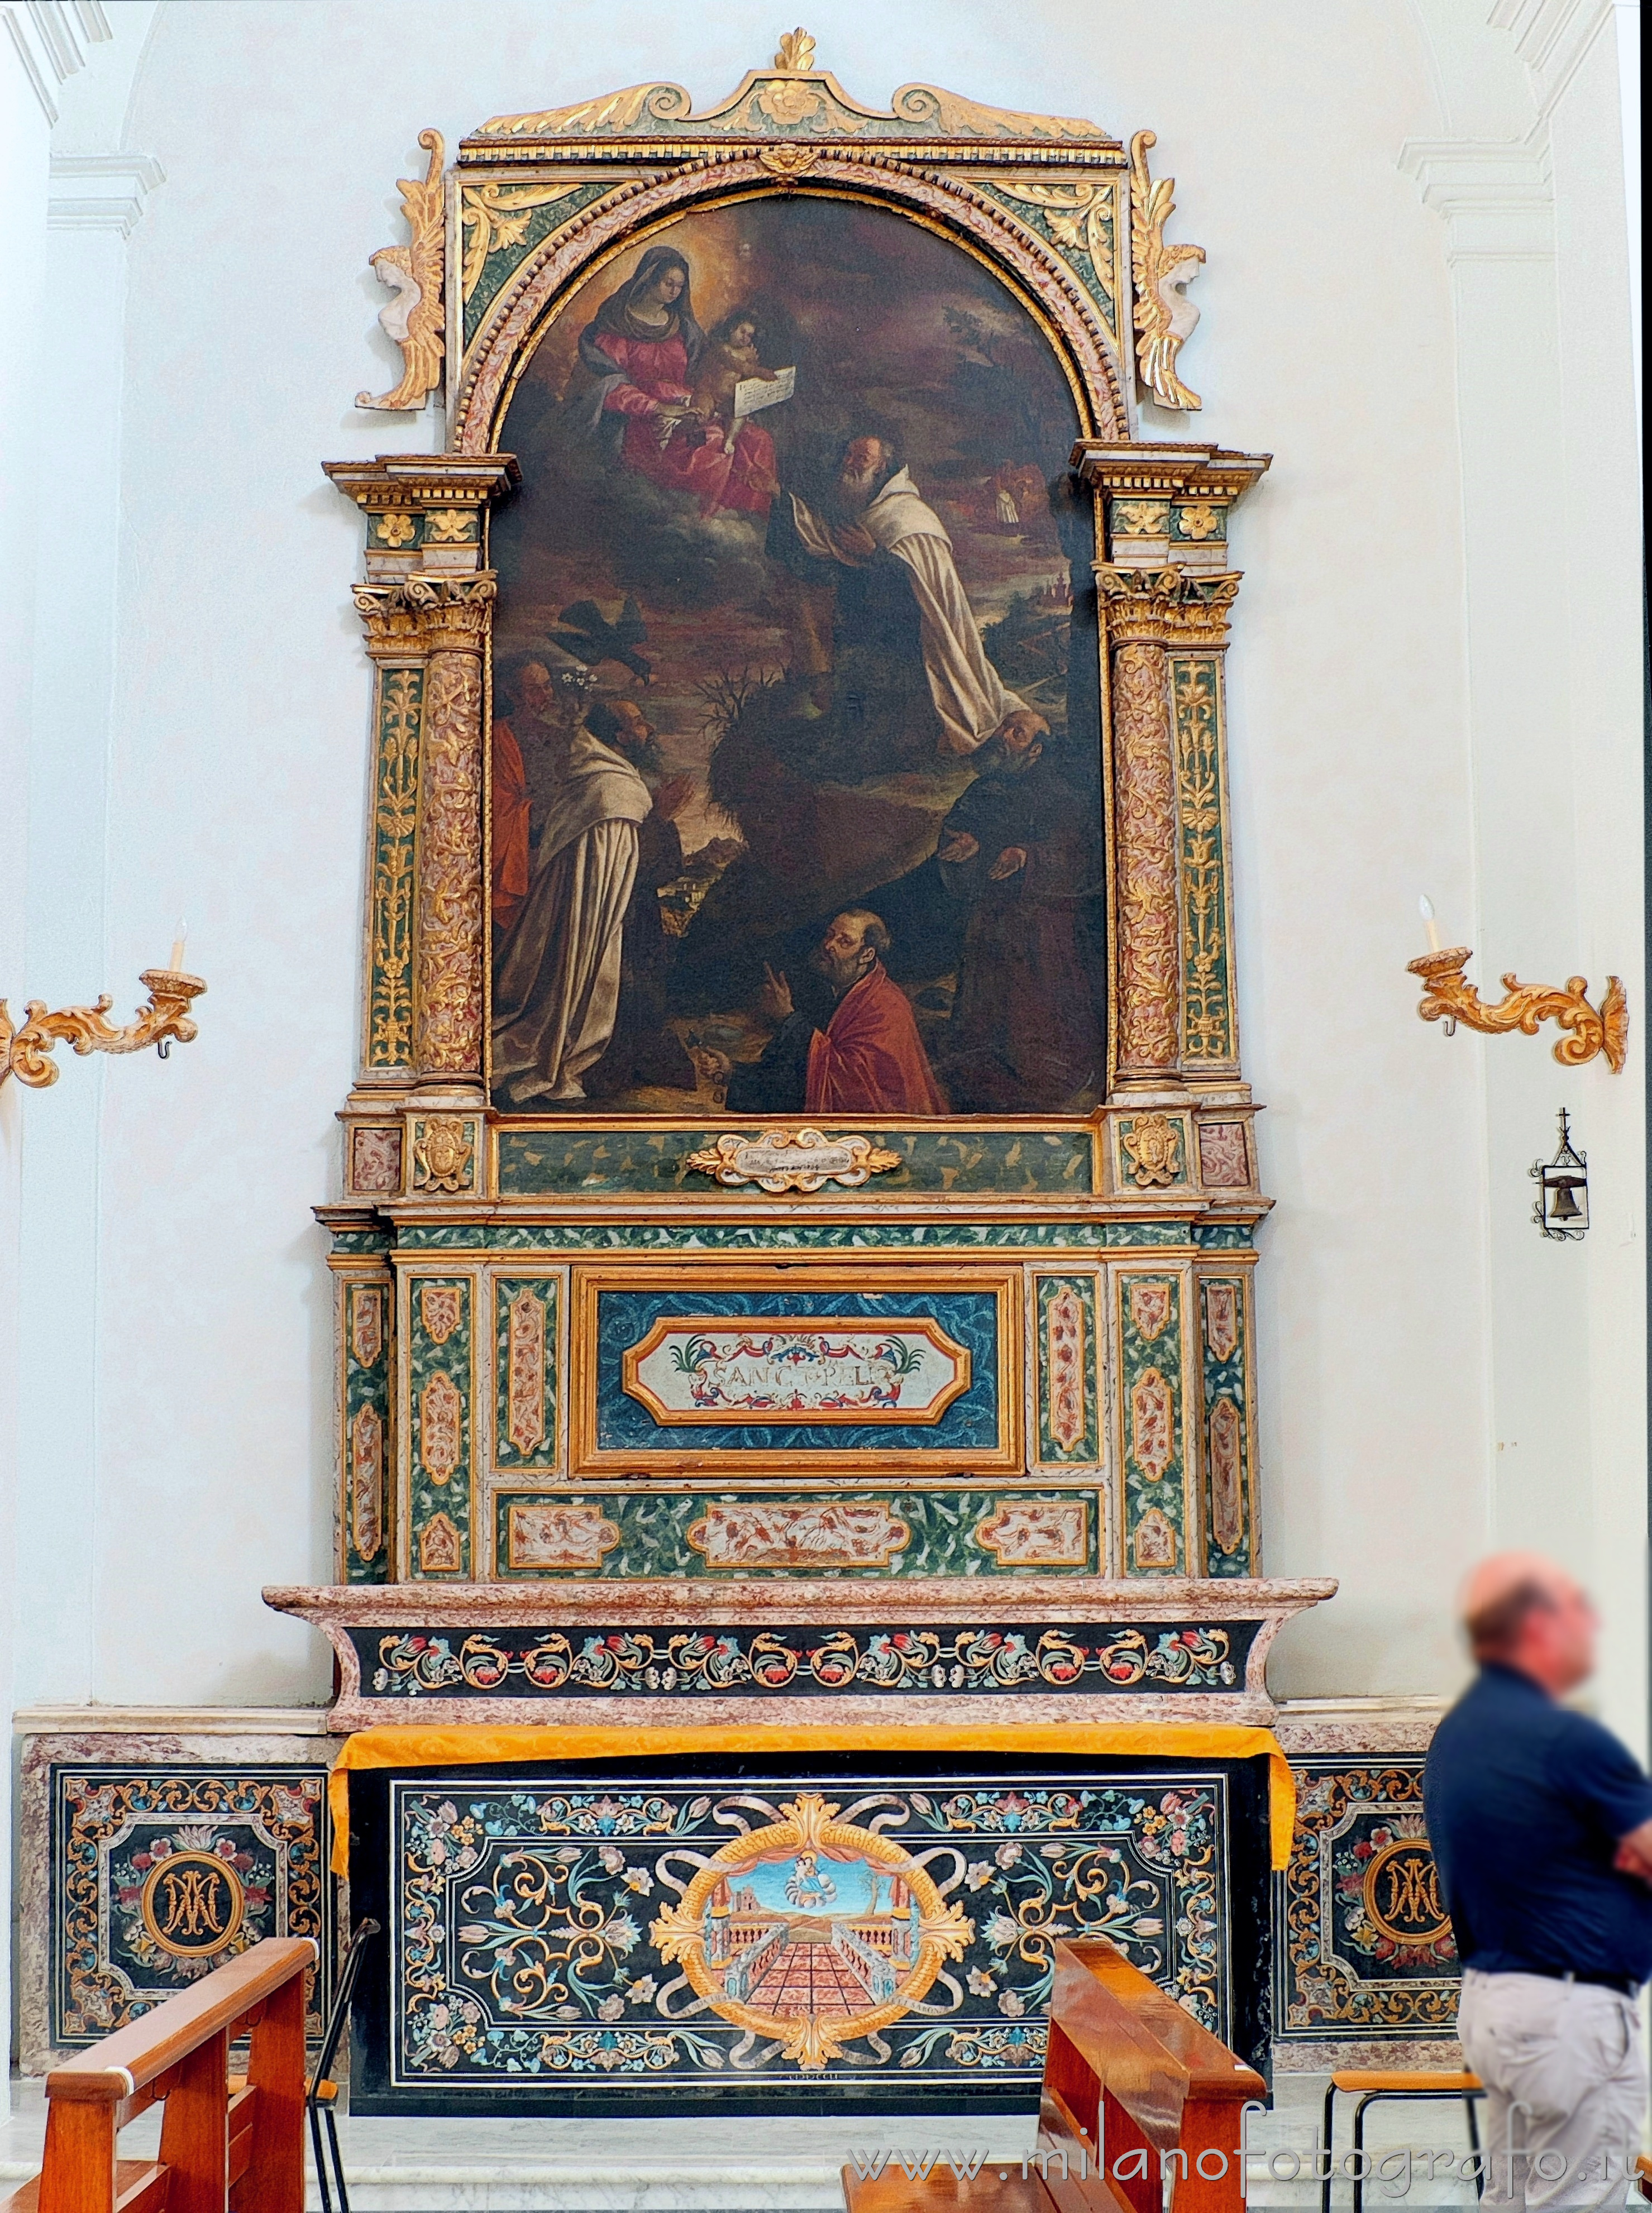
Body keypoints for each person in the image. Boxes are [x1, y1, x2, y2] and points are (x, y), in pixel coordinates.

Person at [1423, 1553, 1652, 2209]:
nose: (1592, 1632)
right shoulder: (1562, 1739)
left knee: (1515, 2199)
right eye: (1579, 1618)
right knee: (1577, 2199)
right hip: (1569, 2012)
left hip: (1501, 2002)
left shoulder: (1460, 1732)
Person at [770, 433, 1034, 756]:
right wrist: (777, 497)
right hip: (866, 644)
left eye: (861, 459)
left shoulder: (910, 519)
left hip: (912, 656)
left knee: (867, 742)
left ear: (882, 469)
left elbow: (922, 599)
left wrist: (874, 557)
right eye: (849, 455)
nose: (848, 464)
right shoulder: (865, 513)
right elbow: (821, 548)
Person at [491, 699, 656, 1106]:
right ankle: (556, 1055)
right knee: (579, 971)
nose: (646, 728)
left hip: (600, 901)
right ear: (619, 736)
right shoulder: (608, 786)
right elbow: (599, 864)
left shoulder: (604, 776)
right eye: (637, 722)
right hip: (588, 908)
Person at [561, 247, 777, 517]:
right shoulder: (615, 327)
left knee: (758, 439)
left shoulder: (683, 327)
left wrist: (729, 397)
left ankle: (747, 522)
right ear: (648, 280)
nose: (675, 292)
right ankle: (702, 520)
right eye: (668, 283)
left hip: (693, 402)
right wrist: (661, 408)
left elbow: (702, 371)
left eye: (680, 286)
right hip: (642, 416)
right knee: (715, 444)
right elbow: (610, 386)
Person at [702, 909, 946, 1117]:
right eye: (830, 935)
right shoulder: (828, 988)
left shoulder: (886, 1007)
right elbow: (798, 1074)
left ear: (867, 955)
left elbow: (852, 1089)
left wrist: (788, 1018)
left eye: (845, 941)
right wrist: (734, 1072)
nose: (829, 945)